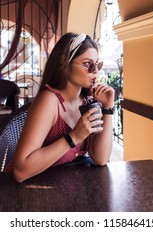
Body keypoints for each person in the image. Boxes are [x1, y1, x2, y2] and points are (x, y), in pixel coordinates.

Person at [12, 32, 115, 182]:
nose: (95, 71)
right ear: (65, 65)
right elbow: (20, 171)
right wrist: (73, 137)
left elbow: (101, 158)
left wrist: (107, 108)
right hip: (33, 193)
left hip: (67, 188)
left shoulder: (87, 102)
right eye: (87, 64)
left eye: (97, 64)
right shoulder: (49, 101)